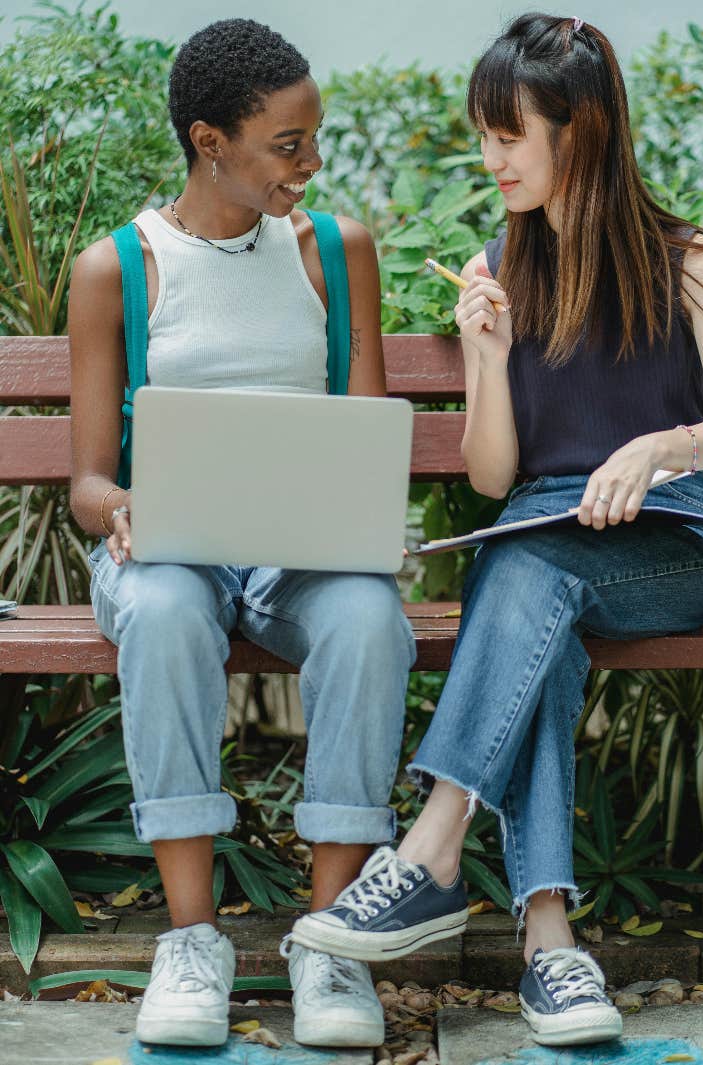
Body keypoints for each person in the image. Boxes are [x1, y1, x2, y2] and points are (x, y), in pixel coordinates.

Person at [288, 12, 703, 1048]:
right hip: (539, 551)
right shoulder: (501, 264)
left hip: (660, 551)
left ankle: (428, 852)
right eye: (483, 134)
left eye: (510, 135)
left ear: (579, 134)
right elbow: (496, 474)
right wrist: (486, 352)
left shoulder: (687, 261)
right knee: (531, 585)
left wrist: (658, 451)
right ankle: (552, 949)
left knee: (526, 570)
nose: (490, 157)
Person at [68, 18, 415, 1050]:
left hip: (301, 556)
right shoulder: (116, 267)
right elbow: (88, 479)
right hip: (167, 551)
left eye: (314, 139)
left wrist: (368, 518)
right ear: (210, 141)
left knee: (366, 620)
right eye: (287, 144)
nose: (310, 164)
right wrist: (117, 507)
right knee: (168, 610)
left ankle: (329, 943)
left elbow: (365, 429)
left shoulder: (336, 250)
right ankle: (191, 941)